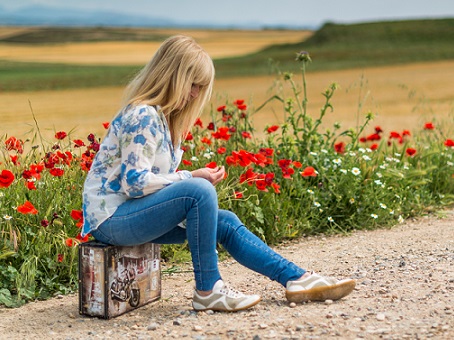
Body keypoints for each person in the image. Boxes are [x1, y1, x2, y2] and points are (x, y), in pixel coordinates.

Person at [81, 35, 355, 312]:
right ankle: (208, 289)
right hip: (112, 220)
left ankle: (297, 279)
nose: (196, 94)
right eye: (193, 84)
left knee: (223, 221)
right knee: (199, 191)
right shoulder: (143, 115)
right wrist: (190, 177)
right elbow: (134, 184)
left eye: (201, 87)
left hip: (134, 214)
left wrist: (189, 181)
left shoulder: (163, 120)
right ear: (172, 77)